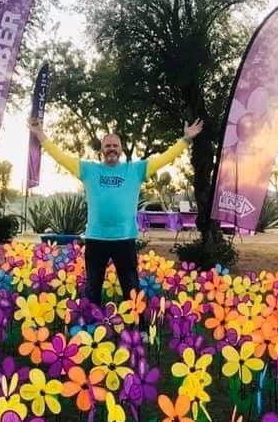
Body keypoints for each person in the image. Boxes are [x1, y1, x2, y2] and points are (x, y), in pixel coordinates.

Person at [27, 116, 203, 306]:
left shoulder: (135, 169)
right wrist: (40, 134)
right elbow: (60, 157)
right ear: (102, 150)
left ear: (120, 149)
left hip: (124, 239)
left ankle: (138, 329)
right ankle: (91, 329)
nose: (111, 148)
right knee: (93, 288)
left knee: (131, 288)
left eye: (115, 145)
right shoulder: (87, 169)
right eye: (108, 145)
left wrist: (185, 140)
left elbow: (164, 158)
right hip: (96, 239)